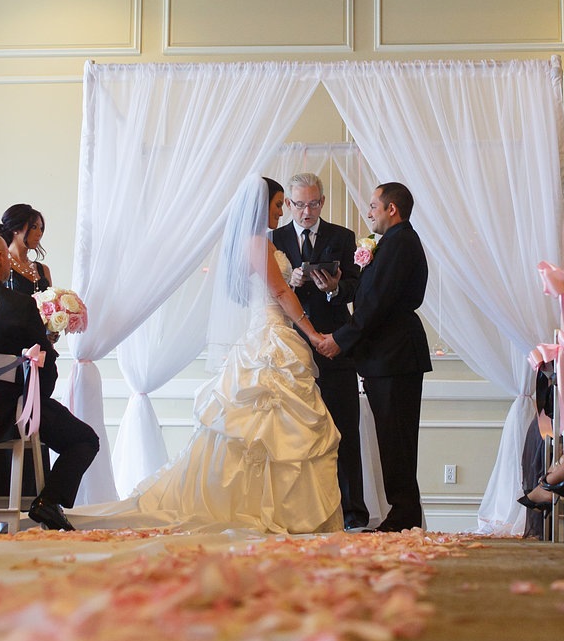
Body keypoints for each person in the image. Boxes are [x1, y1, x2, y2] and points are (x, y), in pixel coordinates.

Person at [72, 176, 342, 534]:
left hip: (263, 332)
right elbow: (279, 293)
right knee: (270, 430)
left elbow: (256, 291)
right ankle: (276, 510)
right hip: (271, 336)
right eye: (279, 205)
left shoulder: (248, 244)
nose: (282, 212)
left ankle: (264, 505)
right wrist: (312, 333)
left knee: (261, 432)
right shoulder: (258, 243)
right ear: (262, 206)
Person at [315, 182, 431, 532]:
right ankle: (403, 511)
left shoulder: (400, 244)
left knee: (397, 436)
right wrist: (337, 289)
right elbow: (368, 297)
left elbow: (376, 305)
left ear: (391, 209)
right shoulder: (392, 243)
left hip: (395, 354)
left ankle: (404, 512)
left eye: (373, 206)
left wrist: (340, 340)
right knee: (392, 436)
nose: (368, 212)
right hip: (388, 354)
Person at [0, 230, 99, 531]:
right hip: (11, 412)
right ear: (1, 258)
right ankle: (48, 501)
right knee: (85, 439)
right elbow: (45, 371)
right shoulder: (19, 305)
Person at [272, 171, 369, 530]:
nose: (305, 211)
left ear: (322, 202)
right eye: (298, 204)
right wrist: (291, 284)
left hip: (334, 343)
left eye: (313, 203)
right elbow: (266, 290)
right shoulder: (275, 239)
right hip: (290, 344)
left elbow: (358, 288)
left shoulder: (342, 237)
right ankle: (301, 512)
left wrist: (334, 288)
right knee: (294, 433)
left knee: (344, 428)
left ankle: (353, 513)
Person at [0, 204, 52, 294]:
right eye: (34, 227)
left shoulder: (43, 270)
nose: (39, 233)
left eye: (41, 228)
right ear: (16, 228)